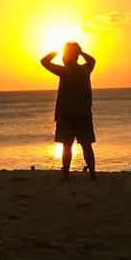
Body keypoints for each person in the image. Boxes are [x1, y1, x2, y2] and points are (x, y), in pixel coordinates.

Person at [41, 42, 97, 180]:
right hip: (83, 114)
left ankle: (66, 175)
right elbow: (92, 60)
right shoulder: (84, 70)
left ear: (66, 57)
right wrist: (80, 52)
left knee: (67, 146)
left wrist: (55, 51)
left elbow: (44, 61)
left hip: (66, 115)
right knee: (86, 145)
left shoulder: (64, 71)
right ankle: (92, 175)